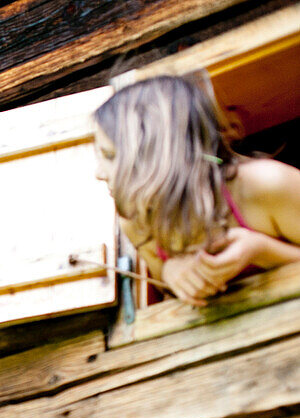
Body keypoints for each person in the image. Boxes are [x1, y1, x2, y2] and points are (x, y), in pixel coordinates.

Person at [93, 74, 300, 306]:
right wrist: (171, 273)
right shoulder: (137, 222)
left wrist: (260, 250)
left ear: (157, 157)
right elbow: (169, 300)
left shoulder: (267, 184)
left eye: (110, 156)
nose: (99, 173)